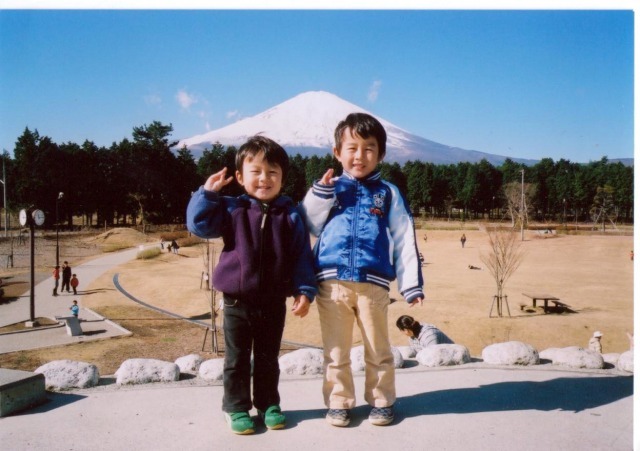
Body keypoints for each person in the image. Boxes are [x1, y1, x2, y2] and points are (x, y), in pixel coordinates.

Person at [186, 135, 317, 435]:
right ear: (240, 176)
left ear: (283, 178)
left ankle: (269, 404)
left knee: (269, 358)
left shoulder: (291, 215)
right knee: (236, 359)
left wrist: (304, 291)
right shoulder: (232, 209)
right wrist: (207, 193)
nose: (264, 178)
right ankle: (235, 408)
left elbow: (301, 257)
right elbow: (198, 226)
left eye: (272, 172)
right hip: (236, 301)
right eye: (255, 171)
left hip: (273, 301)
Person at [301, 112, 424, 428]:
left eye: (369, 148)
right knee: (335, 351)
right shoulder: (329, 188)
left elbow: (403, 235)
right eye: (352, 147)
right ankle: (338, 402)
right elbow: (307, 224)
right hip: (331, 283)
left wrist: (410, 285)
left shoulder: (388, 193)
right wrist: (319, 194)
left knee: (378, 347)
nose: (360, 155)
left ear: (381, 153)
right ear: (337, 152)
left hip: (373, 285)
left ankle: (382, 401)